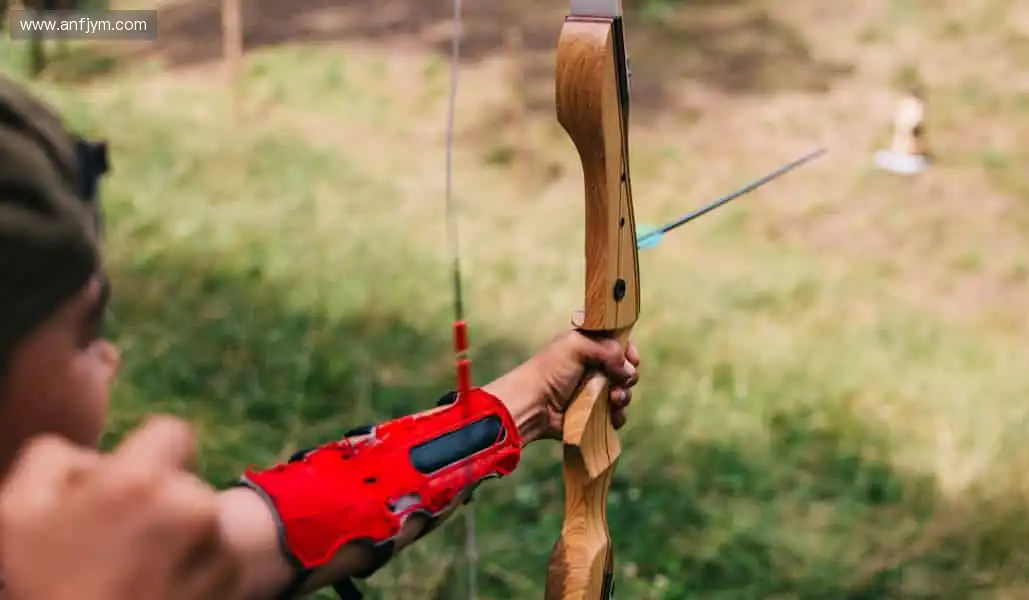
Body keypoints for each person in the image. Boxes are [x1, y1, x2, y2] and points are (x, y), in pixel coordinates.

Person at [0, 76, 642, 600]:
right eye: (87, 333)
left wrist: (524, 401)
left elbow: (303, 518)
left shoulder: (69, 544)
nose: (110, 357)